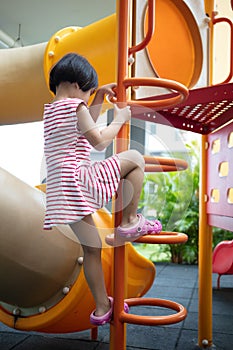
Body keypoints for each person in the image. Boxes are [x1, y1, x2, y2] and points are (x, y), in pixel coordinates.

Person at [43, 53, 162, 325]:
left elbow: (82, 131)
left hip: (62, 191)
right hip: (79, 180)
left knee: (92, 249)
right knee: (135, 158)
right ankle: (131, 221)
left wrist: (97, 100)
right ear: (77, 84)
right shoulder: (76, 107)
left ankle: (100, 308)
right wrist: (119, 118)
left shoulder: (51, 109)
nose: (88, 98)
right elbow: (97, 141)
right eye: (89, 92)